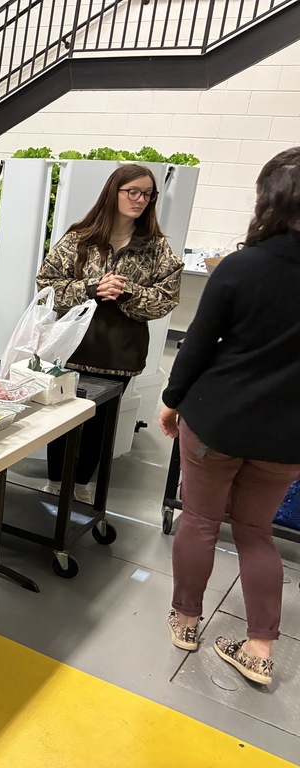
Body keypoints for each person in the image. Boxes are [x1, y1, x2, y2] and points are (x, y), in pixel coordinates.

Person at [159, 148, 300, 687]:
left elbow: (197, 344)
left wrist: (173, 399)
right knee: (256, 531)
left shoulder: (242, 266)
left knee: (199, 520)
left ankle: (186, 621)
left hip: (217, 418)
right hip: (287, 436)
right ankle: (260, 648)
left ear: (269, 200)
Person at [36, 163, 182, 504]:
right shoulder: (79, 238)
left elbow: (166, 298)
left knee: (99, 425)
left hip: (119, 354)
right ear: (113, 192)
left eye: (147, 194)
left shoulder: (155, 248)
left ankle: (81, 486)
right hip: (70, 348)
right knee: (61, 419)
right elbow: (46, 285)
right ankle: (55, 483)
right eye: (132, 191)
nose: (140, 199)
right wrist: (92, 288)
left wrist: (127, 292)